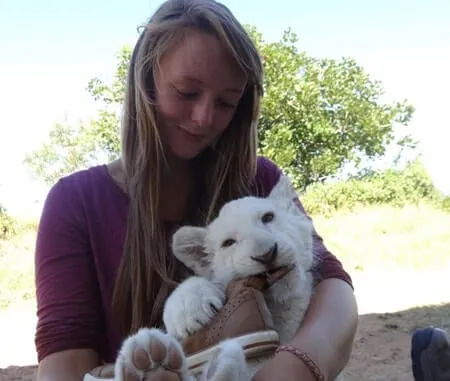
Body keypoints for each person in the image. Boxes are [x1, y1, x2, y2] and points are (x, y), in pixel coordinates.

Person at [34, 0, 358, 380]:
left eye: (226, 102)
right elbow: (63, 367)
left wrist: (293, 367)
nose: (204, 118)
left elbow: (332, 286)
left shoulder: (261, 181)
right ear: (146, 80)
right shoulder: (76, 204)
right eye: (187, 92)